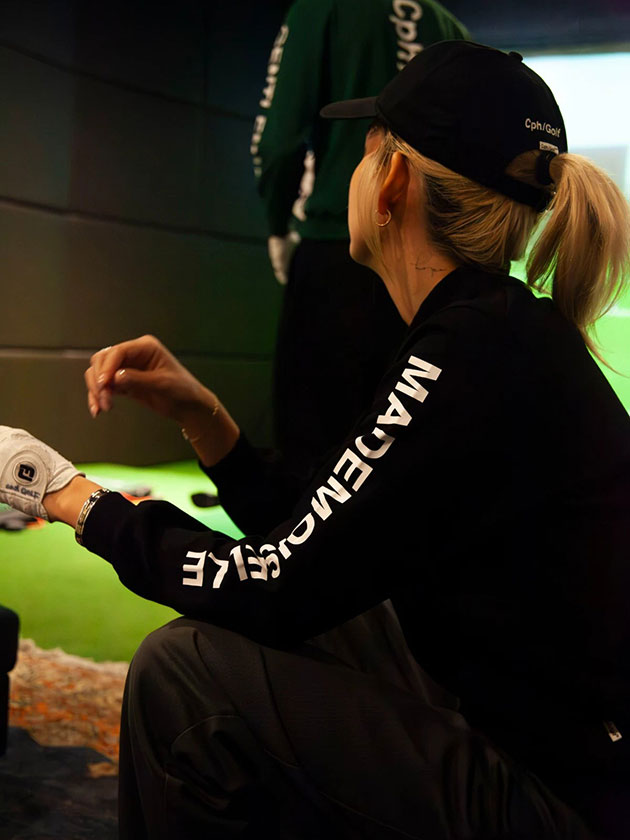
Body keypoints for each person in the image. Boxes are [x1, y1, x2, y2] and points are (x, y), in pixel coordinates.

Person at [2, 40, 630, 839]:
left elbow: (267, 581)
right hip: (564, 751)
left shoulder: (467, 349)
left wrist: (61, 491)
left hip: (567, 798)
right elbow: (318, 545)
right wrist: (206, 418)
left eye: (364, 151)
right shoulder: (496, 332)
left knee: (183, 672)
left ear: (392, 184)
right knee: (338, 612)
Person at [252, 0, 470, 479]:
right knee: (409, 452)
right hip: (436, 269)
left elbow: (278, 141)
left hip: (339, 251)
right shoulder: (451, 29)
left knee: (311, 455)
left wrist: (278, 223)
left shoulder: (321, 9)